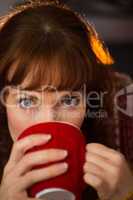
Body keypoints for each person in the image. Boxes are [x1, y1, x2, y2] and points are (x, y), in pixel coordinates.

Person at [0, 0, 133, 199]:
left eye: (69, 100)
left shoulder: (122, 119)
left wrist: (127, 194)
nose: (48, 120)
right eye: (26, 101)